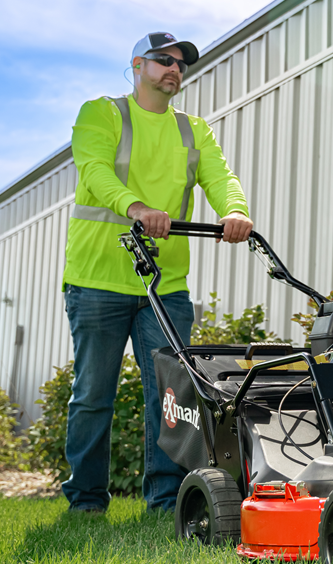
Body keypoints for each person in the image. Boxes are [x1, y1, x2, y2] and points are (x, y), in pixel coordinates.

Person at [61, 31, 253, 514]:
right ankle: (85, 502)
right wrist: (137, 207)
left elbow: (219, 176)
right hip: (97, 279)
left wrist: (235, 211)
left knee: (169, 396)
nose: (174, 69)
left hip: (162, 286)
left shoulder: (193, 130)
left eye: (181, 64)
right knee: (93, 394)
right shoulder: (102, 113)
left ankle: (165, 502)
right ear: (137, 65)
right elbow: (95, 170)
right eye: (163, 60)